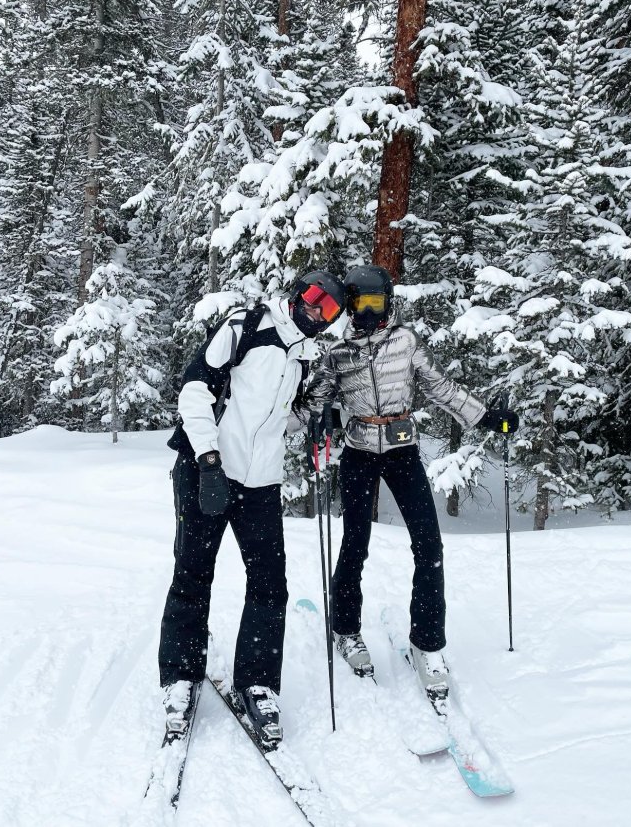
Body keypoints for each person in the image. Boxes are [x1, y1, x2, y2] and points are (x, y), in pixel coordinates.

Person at [303, 265, 518, 699]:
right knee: (355, 544)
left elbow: (441, 387)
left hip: (402, 448)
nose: (367, 313)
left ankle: (428, 643)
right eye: (359, 305)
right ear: (348, 306)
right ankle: (346, 629)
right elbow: (314, 401)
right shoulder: (337, 353)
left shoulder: (406, 341)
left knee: (429, 544)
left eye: (375, 304)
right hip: (360, 451)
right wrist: (321, 415)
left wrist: (486, 417)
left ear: (388, 304)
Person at [158, 270, 346, 746]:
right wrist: (207, 458)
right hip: (208, 469)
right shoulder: (247, 326)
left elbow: (283, 419)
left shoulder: (305, 355)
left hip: (261, 482)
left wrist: (318, 419)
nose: (316, 311)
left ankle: (258, 682)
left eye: (329, 309)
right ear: (297, 292)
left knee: (269, 583)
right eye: (313, 297)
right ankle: (181, 678)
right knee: (193, 573)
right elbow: (195, 389)